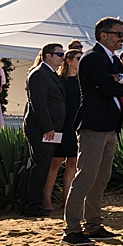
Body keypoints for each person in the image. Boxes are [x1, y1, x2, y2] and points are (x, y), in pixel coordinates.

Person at [64, 17, 123, 246]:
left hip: (109, 125)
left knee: (101, 178)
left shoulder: (111, 59)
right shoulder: (92, 58)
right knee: (85, 178)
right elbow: (107, 87)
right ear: (103, 35)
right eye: (119, 34)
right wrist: (118, 81)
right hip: (93, 125)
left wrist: (120, 77)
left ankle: (93, 224)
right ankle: (71, 228)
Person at [21, 43, 67, 217]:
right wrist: (48, 127)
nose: (62, 57)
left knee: (40, 165)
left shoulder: (50, 74)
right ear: (48, 55)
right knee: (40, 166)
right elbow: (38, 103)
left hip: (50, 128)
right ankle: (31, 206)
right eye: (59, 54)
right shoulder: (39, 74)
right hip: (41, 129)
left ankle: (30, 204)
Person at [44, 49, 83, 216]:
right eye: (78, 58)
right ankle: (46, 199)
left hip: (77, 124)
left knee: (73, 163)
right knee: (55, 162)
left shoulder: (83, 80)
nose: (81, 61)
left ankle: (67, 200)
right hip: (61, 124)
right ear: (69, 60)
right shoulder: (60, 80)